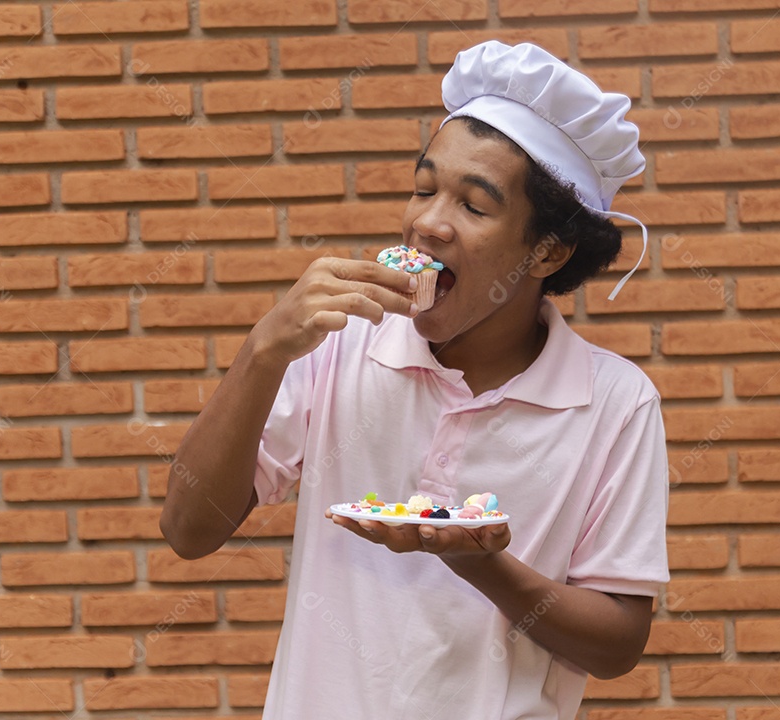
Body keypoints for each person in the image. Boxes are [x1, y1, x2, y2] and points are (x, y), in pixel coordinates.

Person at [161, 41, 669, 720]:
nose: (427, 224)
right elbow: (188, 529)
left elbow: (617, 645)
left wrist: (481, 563)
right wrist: (263, 351)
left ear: (548, 251)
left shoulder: (615, 401)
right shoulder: (341, 339)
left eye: (474, 206)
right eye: (425, 188)